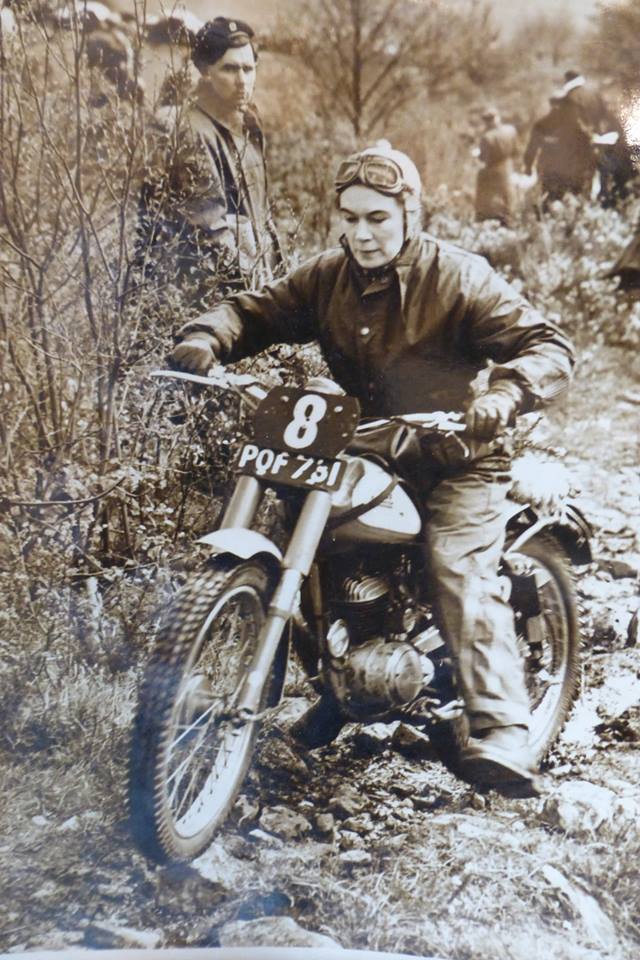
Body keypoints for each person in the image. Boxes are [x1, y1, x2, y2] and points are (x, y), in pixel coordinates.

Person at [171, 141, 575, 793]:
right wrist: (206, 337)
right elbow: (256, 310)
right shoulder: (327, 277)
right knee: (308, 520)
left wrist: (504, 394)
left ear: (409, 213)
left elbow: (546, 344)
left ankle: (502, 724)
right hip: (369, 439)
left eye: (377, 218)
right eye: (351, 218)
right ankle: (339, 686)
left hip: (458, 454)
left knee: (456, 565)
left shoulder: (458, 278)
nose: (361, 233)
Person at [138, 16, 281, 308]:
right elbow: (210, 231)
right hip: (209, 297)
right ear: (205, 71)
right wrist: (260, 298)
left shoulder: (249, 125)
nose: (242, 80)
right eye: (229, 69)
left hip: (253, 284)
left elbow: (263, 218)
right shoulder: (189, 130)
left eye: (248, 68)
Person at [562, 69, 636, 207]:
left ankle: (591, 206)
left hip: (585, 144)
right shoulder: (594, 94)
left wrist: (591, 137)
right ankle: (610, 204)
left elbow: (575, 123)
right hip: (608, 141)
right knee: (606, 174)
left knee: (586, 178)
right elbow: (607, 116)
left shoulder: (569, 98)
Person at [523, 92, 595, 206]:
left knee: (549, 200)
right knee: (572, 201)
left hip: (549, 169)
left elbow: (531, 149)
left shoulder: (542, 124)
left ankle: (549, 219)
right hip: (569, 170)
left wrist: (528, 167)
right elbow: (587, 142)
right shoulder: (574, 123)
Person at [474, 107, 519, 226]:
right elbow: (516, 151)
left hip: (493, 170)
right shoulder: (511, 130)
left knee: (489, 196)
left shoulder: (487, 137)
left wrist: (478, 155)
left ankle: (486, 218)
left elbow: (484, 158)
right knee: (508, 195)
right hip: (508, 167)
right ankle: (510, 219)